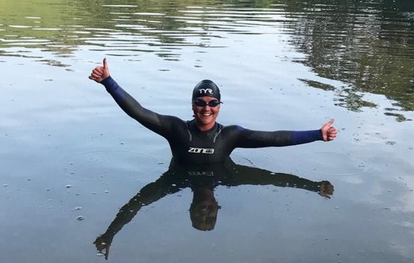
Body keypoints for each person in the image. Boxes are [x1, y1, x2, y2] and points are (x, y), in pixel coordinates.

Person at [88, 58, 337, 164]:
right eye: (201, 102)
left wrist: (317, 134)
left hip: (220, 176)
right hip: (180, 178)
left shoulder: (231, 136)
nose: (206, 108)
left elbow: (274, 138)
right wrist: (109, 82)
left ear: (219, 106)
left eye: (212, 103)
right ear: (193, 105)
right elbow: (138, 112)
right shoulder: (176, 129)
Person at [93, 158, 334, 260]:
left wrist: (109, 234)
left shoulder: (176, 183)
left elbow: (136, 204)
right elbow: (274, 180)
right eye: (210, 216)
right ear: (218, 208)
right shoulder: (230, 178)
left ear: (191, 209)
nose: (205, 212)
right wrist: (312, 186)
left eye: (201, 217)